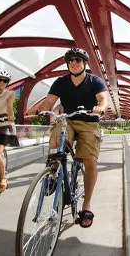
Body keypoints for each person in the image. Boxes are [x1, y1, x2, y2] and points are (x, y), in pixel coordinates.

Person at [31, 48, 109, 228]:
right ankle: (53, 170)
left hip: (89, 122)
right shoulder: (60, 82)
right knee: (57, 135)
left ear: (85, 64)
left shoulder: (94, 81)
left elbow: (103, 99)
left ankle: (86, 205)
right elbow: (49, 102)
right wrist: (38, 111)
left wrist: (100, 107)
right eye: (71, 60)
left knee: (89, 161)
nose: (74, 63)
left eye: (78, 60)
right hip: (69, 120)